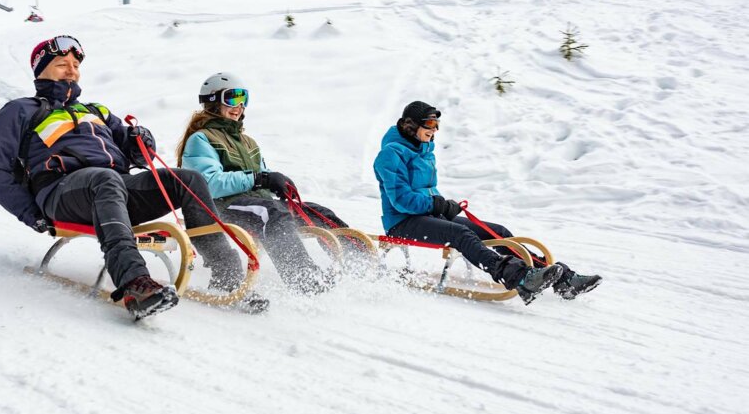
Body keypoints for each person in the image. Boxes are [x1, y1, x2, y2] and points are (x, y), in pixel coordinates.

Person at [0, 36, 257, 319]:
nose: (71, 70)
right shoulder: (21, 111)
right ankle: (134, 282)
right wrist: (31, 213)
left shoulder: (96, 111)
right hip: (61, 192)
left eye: (75, 65)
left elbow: (139, 155)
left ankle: (228, 279)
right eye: (62, 64)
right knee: (104, 179)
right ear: (41, 71)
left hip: (112, 190)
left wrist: (140, 140)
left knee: (188, 179)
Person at [373, 101, 602, 305]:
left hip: (429, 215)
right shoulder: (390, 155)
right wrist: (437, 205)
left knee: (496, 231)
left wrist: (440, 206)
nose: (434, 131)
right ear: (410, 126)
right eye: (429, 125)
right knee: (460, 234)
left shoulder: (424, 151)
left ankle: (562, 280)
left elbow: (427, 192)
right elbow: (401, 199)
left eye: (436, 126)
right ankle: (519, 278)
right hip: (402, 222)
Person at [177, 72, 347, 294]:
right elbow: (209, 183)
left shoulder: (247, 141)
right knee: (271, 214)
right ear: (212, 101)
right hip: (223, 207)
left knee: (317, 212)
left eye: (243, 99)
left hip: (257, 204)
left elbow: (261, 174)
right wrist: (258, 179)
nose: (239, 105)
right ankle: (304, 279)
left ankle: (361, 264)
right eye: (232, 98)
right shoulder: (201, 139)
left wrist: (275, 182)